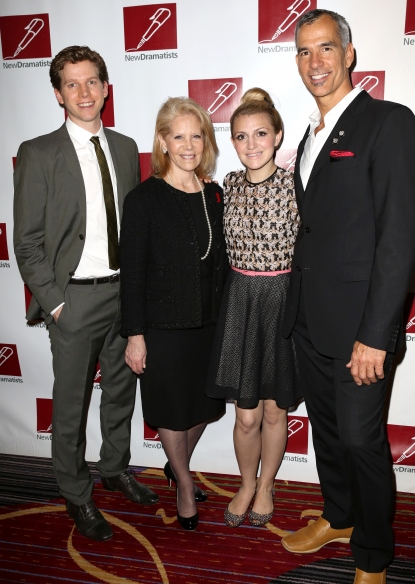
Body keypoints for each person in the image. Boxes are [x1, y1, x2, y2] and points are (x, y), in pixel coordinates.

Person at [280, 9, 415, 584]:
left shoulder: (388, 122)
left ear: (350, 54)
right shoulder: (308, 135)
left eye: (327, 48)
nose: (317, 62)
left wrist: (376, 334)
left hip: (362, 327)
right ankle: (339, 516)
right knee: (330, 434)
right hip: (309, 320)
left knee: (362, 441)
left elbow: (399, 238)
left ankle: (374, 555)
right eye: (305, 52)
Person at [13, 46, 158, 543]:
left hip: (125, 295)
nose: (84, 92)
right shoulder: (38, 152)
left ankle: (114, 466)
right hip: (73, 300)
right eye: (72, 84)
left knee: (121, 390)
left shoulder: (124, 147)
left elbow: (136, 230)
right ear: (58, 94)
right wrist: (56, 304)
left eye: (92, 81)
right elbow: (26, 241)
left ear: (106, 87)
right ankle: (76, 494)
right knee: (71, 406)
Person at [119, 96, 228, 531]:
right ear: (163, 142)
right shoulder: (143, 199)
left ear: (206, 140)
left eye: (196, 135)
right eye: (178, 136)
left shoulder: (216, 195)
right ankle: (183, 482)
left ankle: (173, 467)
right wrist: (135, 334)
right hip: (163, 327)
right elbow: (133, 274)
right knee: (169, 411)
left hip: (211, 323)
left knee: (205, 407)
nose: (188, 145)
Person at [206, 88, 302, 528]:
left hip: (281, 303)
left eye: (261, 133)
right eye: (242, 136)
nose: (252, 144)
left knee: (274, 409)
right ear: (233, 142)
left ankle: (267, 486)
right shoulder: (226, 185)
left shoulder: (295, 186)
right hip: (242, 303)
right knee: (245, 416)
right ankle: (246, 482)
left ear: (278, 136)